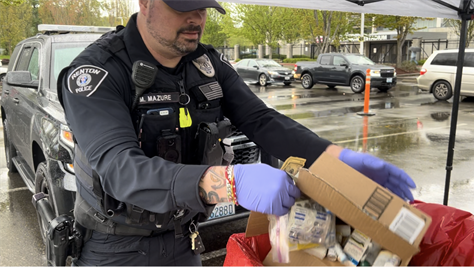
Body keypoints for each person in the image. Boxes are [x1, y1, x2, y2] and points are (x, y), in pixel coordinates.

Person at [58, 0, 416, 265]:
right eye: (184, 6)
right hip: (116, 248)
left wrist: (333, 159)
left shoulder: (206, 65)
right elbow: (120, 168)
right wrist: (231, 183)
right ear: (146, 4)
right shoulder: (97, 72)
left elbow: (261, 120)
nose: (196, 17)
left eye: (203, 7)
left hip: (183, 241)